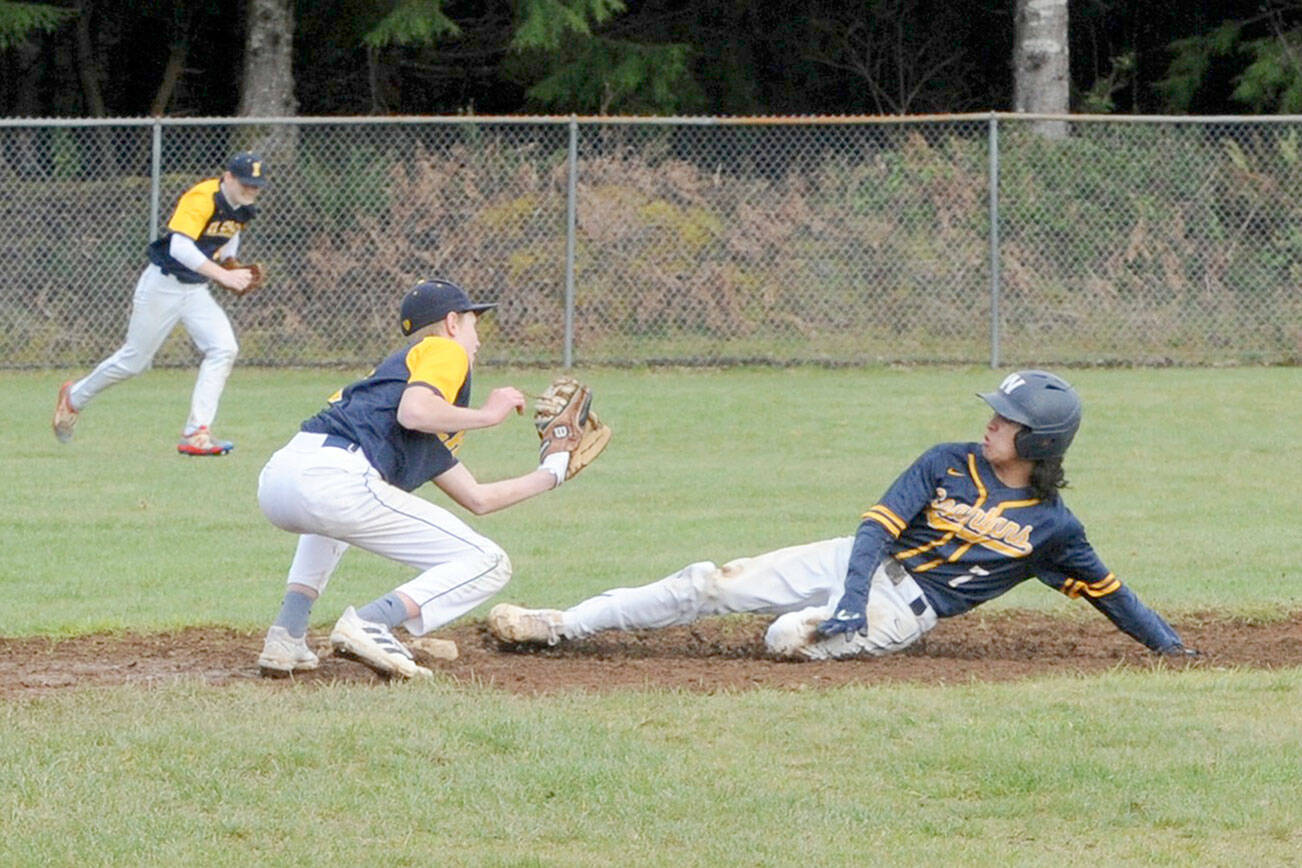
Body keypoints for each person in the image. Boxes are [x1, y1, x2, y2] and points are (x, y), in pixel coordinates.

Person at [488, 370, 1198, 660]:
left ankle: (833, 624)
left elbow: (1112, 596)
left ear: (1037, 443)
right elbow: (875, 530)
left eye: (1007, 420)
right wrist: (852, 597)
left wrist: (1173, 650)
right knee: (708, 580)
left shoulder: (1054, 530)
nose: (991, 423)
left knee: (782, 639)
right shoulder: (947, 460)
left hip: (906, 610)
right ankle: (557, 625)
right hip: (857, 566)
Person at [255, 278, 577, 679]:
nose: (477, 339)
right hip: (336, 477)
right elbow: (415, 412)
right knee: (489, 562)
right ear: (452, 322)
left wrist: (553, 472)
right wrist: (489, 415)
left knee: (331, 524)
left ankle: (286, 635)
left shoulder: (398, 383)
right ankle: (372, 622)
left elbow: (478, 498)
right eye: (474, 324)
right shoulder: (444, 350)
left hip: (282, 477)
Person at [52, 151, 267, 455]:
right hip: (162, 286)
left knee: (224, 348)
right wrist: (223, 275)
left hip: (195, 290)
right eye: (246, 183)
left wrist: (231, 263)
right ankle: (74, 397)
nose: (251, 190)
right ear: (228, 177)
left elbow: (229, 235)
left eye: (256, 185)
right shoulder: (202, 197)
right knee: (134, 361)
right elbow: (179, 247)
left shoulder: (243, 206)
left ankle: (197, 433)